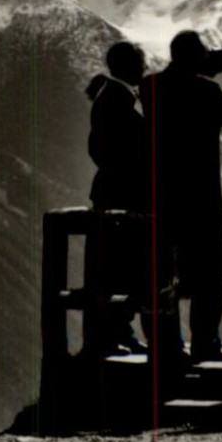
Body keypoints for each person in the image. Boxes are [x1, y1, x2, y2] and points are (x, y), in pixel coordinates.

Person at [140, 31, 222, 365]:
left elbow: (177, 80)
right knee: (212, 274)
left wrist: (211, 63)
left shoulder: (150, 88)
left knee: (163, 274)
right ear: (197, 57)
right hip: (201, 199)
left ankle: (164, 346)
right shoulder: (206, 92)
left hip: (161, 197)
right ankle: (204, 342)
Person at [83, 41, 149, 356]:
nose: (145, 67)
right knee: (120, 267)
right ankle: (110, 334)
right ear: (128, 66)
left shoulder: (114, 97)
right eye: (141, 62)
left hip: (116, 194)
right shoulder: (118, 100)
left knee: (121, 268)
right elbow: (106, 148)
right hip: (123, 197)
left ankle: (118, 331)